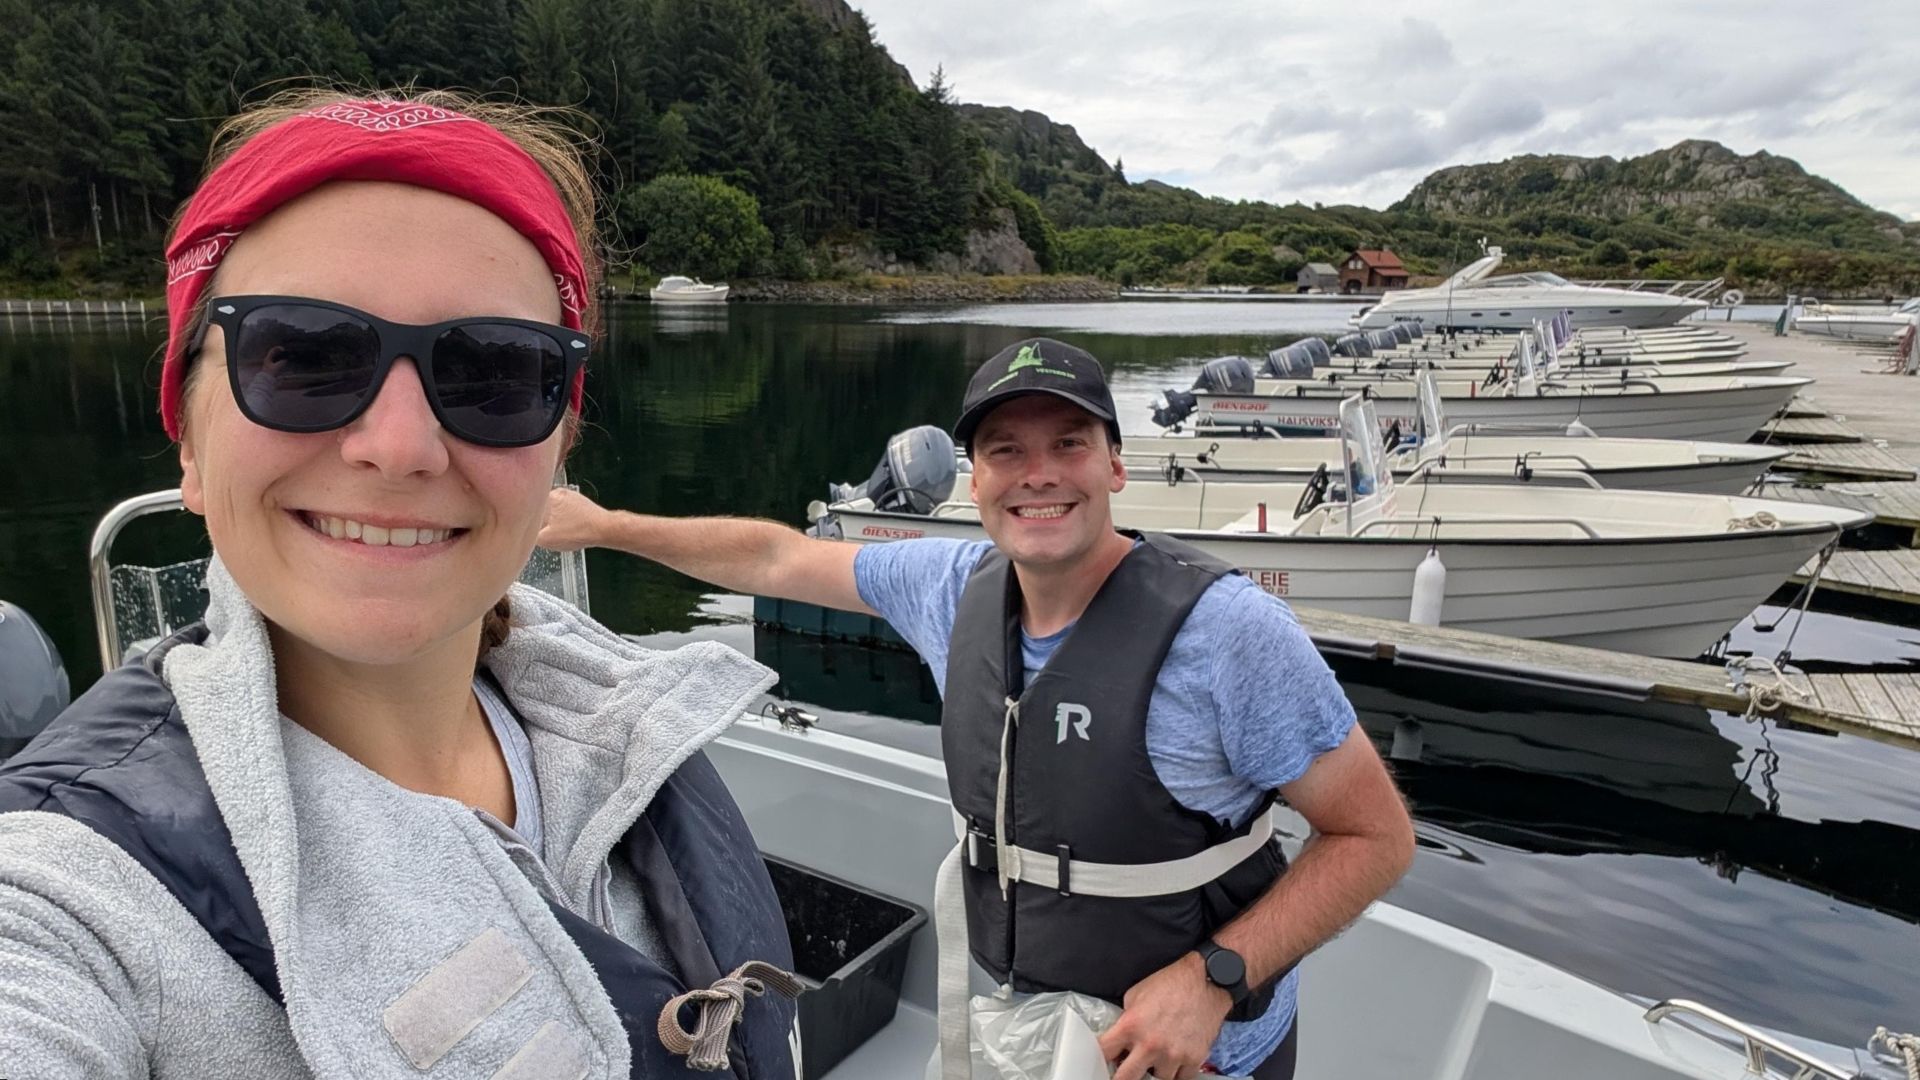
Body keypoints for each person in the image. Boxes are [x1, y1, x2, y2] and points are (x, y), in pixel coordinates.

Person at [0, 90, 799, 1079]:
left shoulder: (625, 725)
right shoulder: (66, 895)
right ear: (191, 441)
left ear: (557, 448)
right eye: (301, 357)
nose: (401, 446)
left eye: (495, 372)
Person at [539, 337, 1417, 1080]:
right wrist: (608, 525)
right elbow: (774, 559)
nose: (1037, 476)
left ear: (1115, 463)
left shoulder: (1228, 633)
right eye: (1005, 450)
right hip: (1025, 1025)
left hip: (1196, 1048)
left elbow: (1376, 838)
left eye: (1068, 444)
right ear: (975, 477)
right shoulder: (950, 587)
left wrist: (1215, 978)